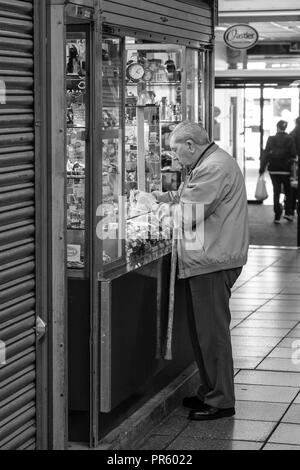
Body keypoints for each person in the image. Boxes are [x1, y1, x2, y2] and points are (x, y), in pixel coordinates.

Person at [151, 121, 249, 421]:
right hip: (209, 258)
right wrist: (160, 197)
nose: (173, 155)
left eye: (174, 148)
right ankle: (211, 390)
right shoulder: (208, 162)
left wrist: (152, 211)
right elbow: (186, 196)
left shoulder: (213, 168)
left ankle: (221, 400)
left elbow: (189, 214)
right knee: (201, 332)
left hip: (212, 260)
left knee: (211, 334)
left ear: (191, 145)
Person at [259, 120, 296, 224]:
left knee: (276, 191)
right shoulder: (289, 139)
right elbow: (293, 154)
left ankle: (277, 216)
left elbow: (266, 154)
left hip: (274, 170)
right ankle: (288, 213)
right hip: (285, 170)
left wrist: (262, 168)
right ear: (285, 128)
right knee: (288, 192)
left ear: (277, 127)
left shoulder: (271, 139)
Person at [289, 117, 300, 216]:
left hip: (295, 164)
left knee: (293, 186)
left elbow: (291, 152)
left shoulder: (292, 134)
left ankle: (291, 210)